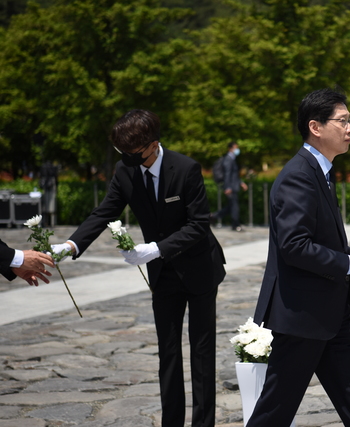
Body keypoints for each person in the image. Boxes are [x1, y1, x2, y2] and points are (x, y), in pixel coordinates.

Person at [50, 109, 226, 427]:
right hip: (163, 275)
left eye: (133, 153)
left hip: (200, 269)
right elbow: (105, 211)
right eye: (122, 153)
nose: (127, 158)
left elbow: (199, 224)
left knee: (202, 355)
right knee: (168, 355)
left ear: (153, 145)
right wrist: (71, 245)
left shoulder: (186, 168)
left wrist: (157, 248)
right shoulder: (124, 171)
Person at [248, 88, 350, 426]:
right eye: (343, 121)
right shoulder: (298, 175)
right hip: (303, 317)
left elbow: (315, 239)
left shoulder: (320, 171)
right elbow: (294, 246)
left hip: (332, 315)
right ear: (316, 126)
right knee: (273, 413)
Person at [210, 141, 247, 231]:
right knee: (234, 206)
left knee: (231, 206)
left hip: (233, 186)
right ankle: (235, 225)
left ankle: (213, 216)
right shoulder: (228, 159)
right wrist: (227, 187)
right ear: (230, 148)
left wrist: (240, 183)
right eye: (235, 148)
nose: (237, 150)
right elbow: (227, 174)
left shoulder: (232, 159)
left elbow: (234, 174)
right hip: (231, 187)